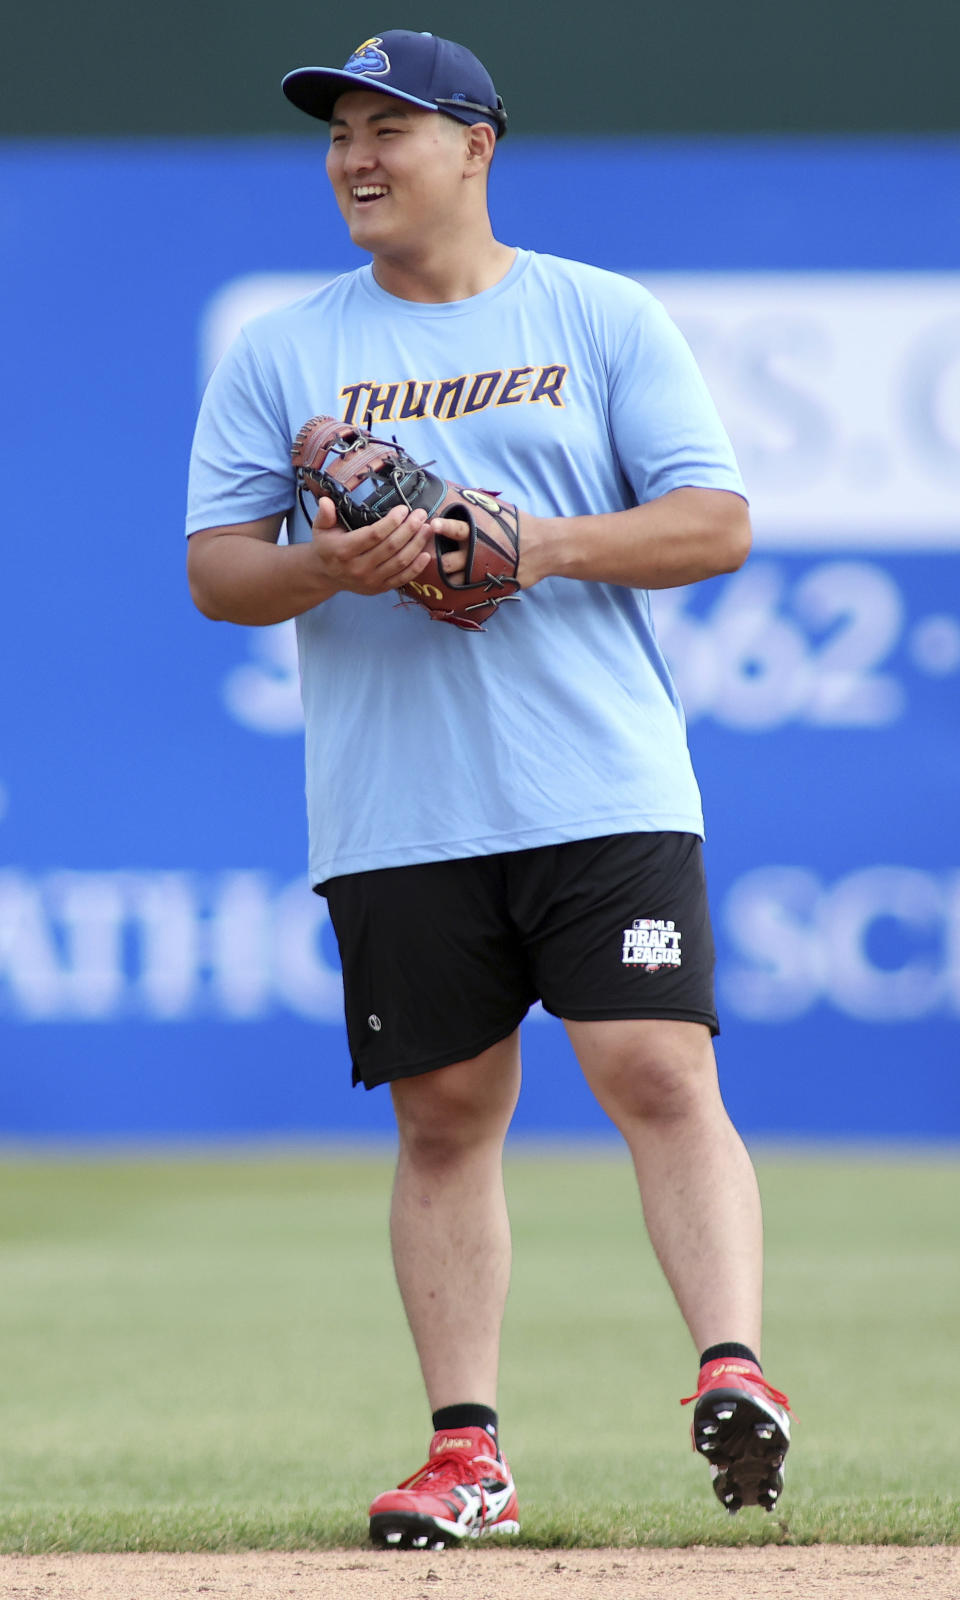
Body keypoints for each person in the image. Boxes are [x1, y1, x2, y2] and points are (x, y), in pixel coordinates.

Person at [185, 28, 792, 1549]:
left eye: (391, 126)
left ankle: (735, 1369)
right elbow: (215, 572)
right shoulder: (284, 347)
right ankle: (470, 1455)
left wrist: (540, 542)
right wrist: (330, 561)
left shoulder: (598, 313)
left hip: (601, 773)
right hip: (400, 802)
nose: (355, 157)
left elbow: (714, 523)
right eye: (339, 133)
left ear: (479, 146)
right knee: (446, 1114)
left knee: (656, 1066)